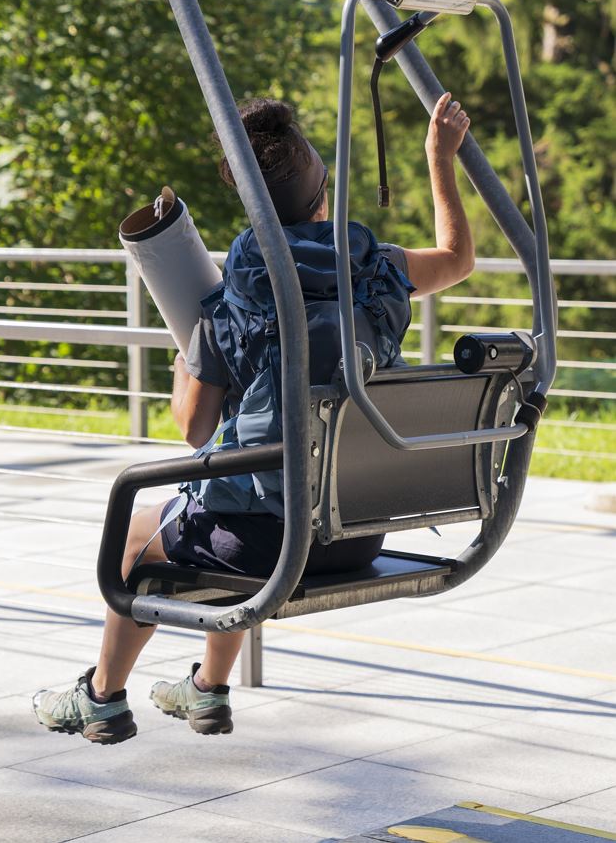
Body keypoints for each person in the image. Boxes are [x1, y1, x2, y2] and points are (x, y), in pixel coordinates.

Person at [32, 91, 473, 744]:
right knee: (249, 494)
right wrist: (439, 157)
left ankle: (102, 696)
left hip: (272, 548)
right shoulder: (379, 271)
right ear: (323, 196)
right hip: (357, 532)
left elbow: (194, 429)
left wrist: (186, 360)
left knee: (142, 532)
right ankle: (207, 690)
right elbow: (458, 259)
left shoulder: (234, 297)